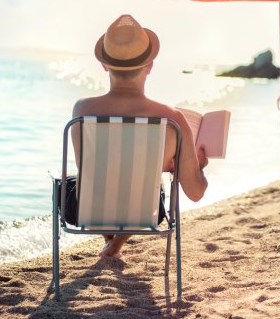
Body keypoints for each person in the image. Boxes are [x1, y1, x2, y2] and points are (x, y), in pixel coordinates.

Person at [71, 14, 209, 258]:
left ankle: (110, 242)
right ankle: (115, 244)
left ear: (104, 64)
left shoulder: (82, 110)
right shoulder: (171, 118)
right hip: (147, 211)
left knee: (90, 180)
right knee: (145, 184)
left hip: (86, 210)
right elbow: (196, 193)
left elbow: (91, 168)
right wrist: (198, 166)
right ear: (150, 66)